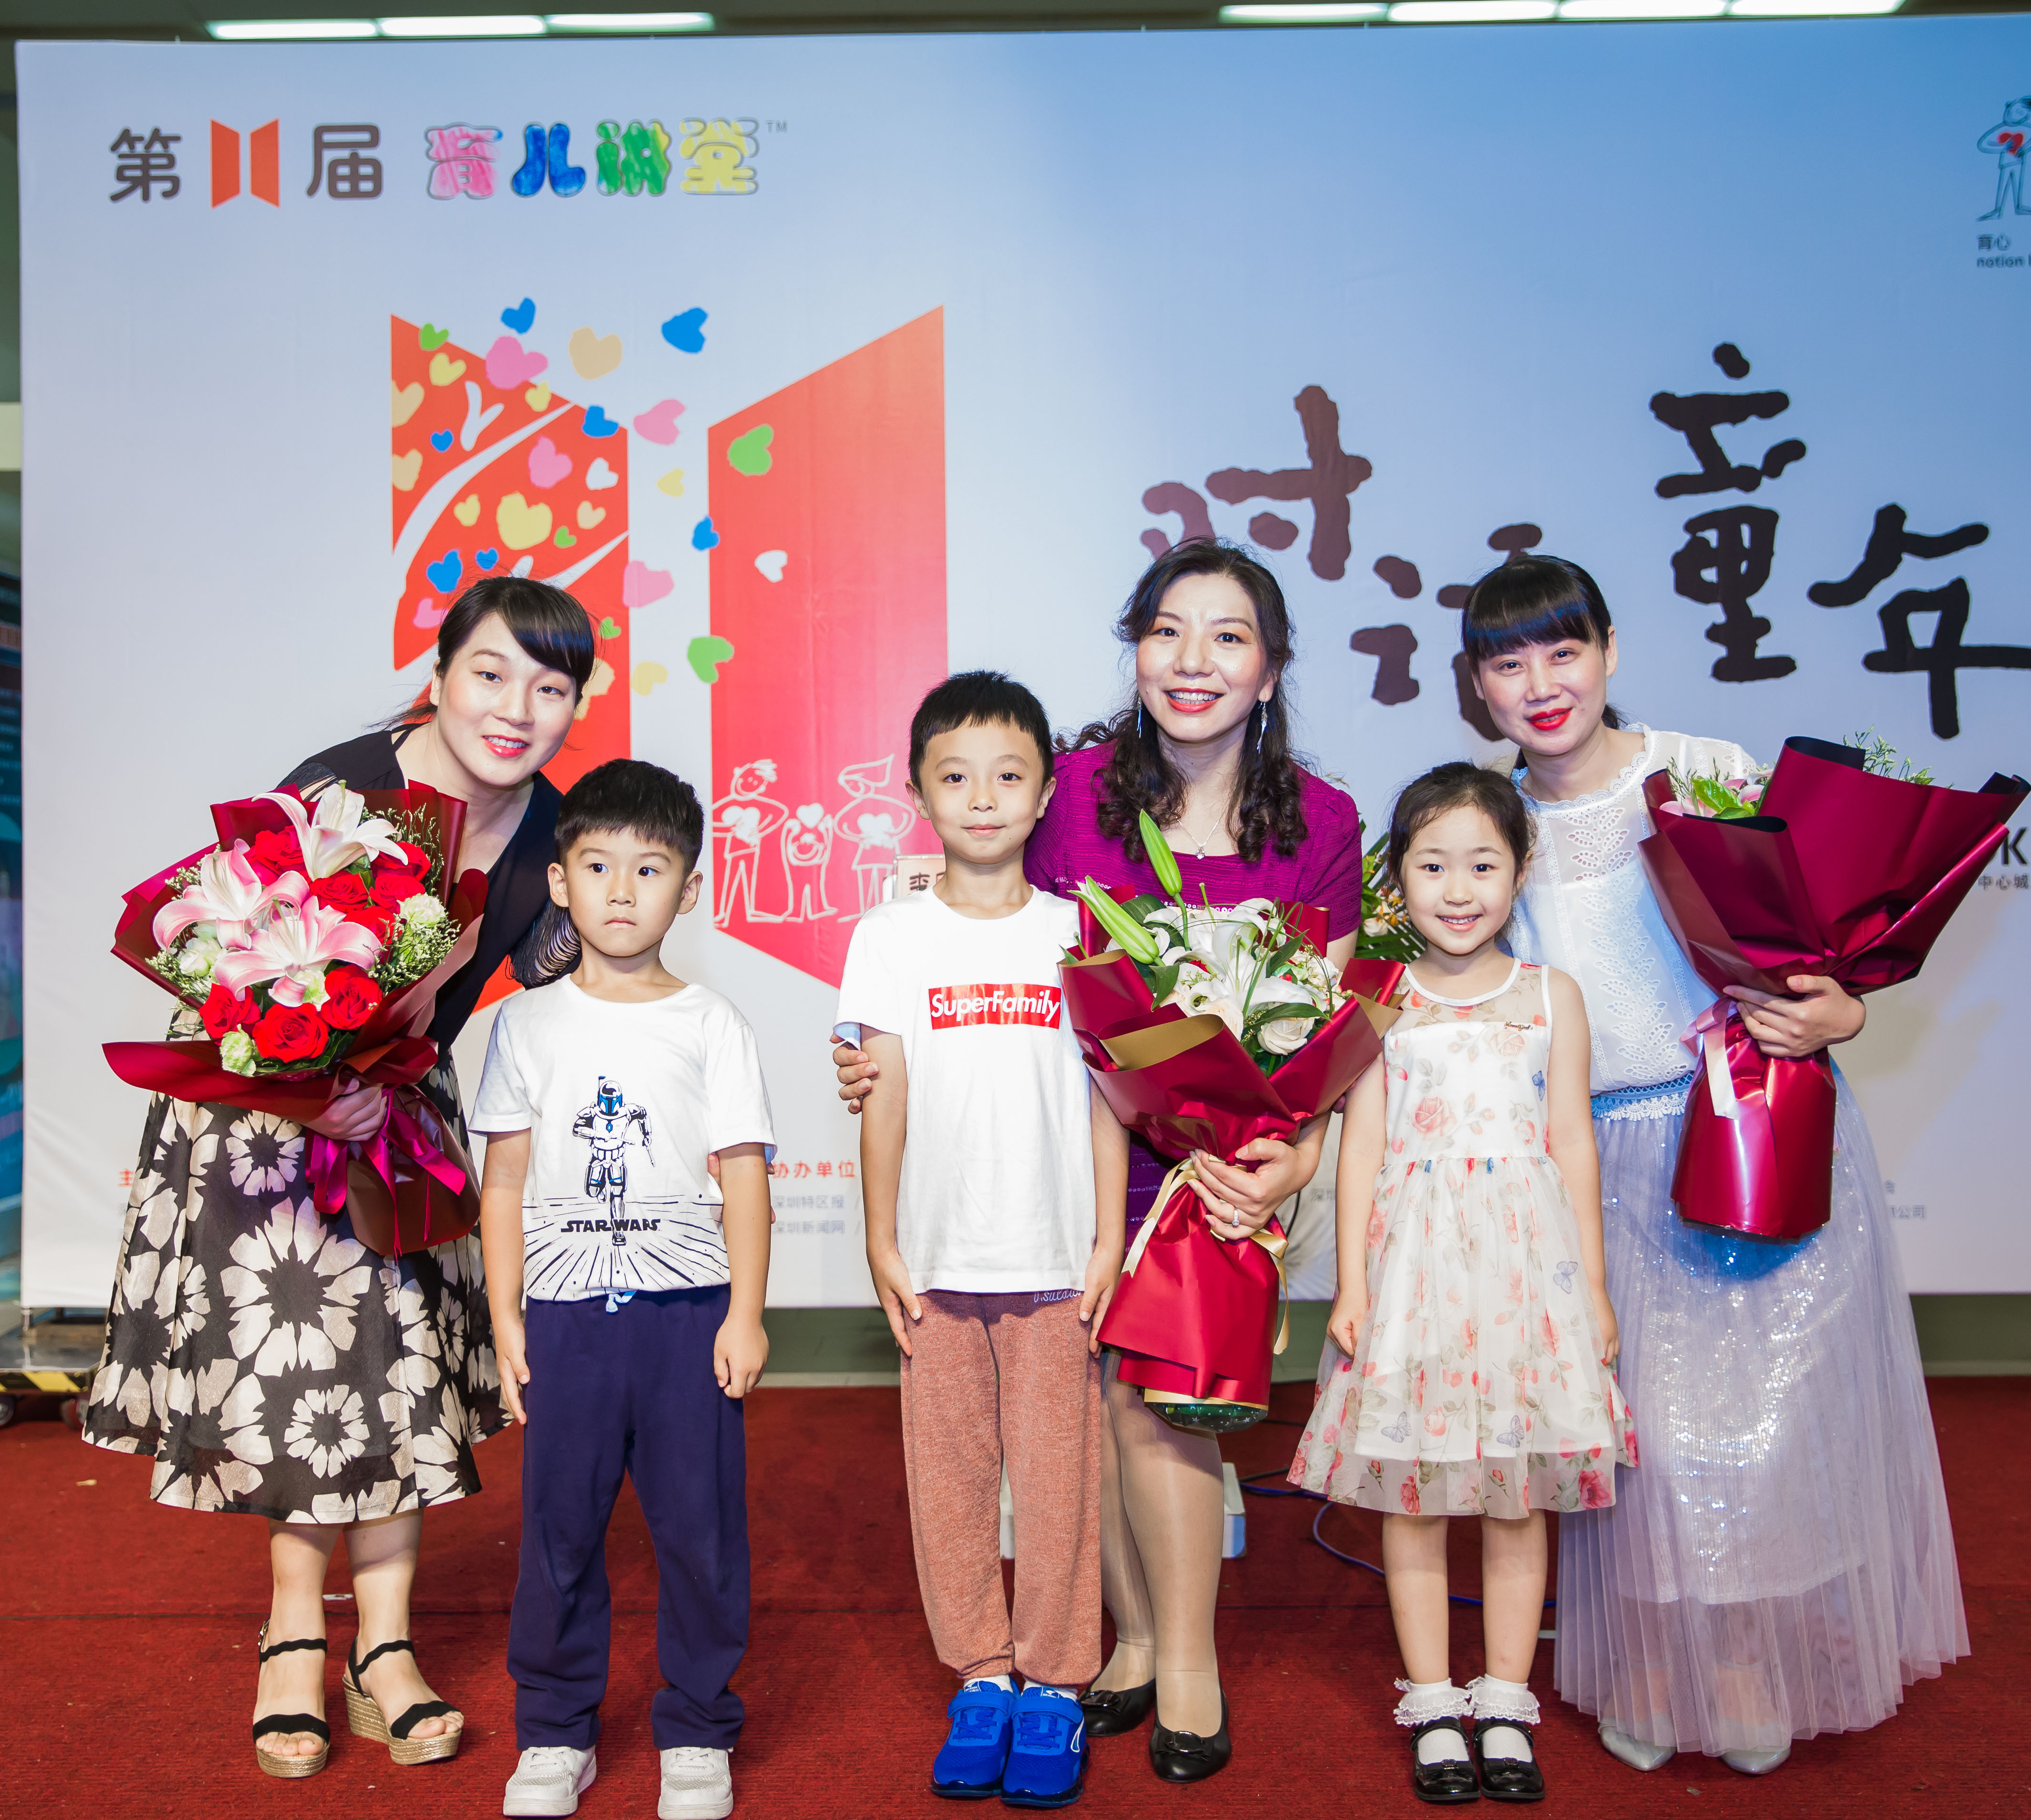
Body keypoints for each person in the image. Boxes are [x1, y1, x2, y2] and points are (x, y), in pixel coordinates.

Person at [838, 540, 1361, 1782]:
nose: (1192, 660)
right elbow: (967, 890)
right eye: (1166, 630)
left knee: (1160, 1407)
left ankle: (1187, 1661)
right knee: (1089, 1413)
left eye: (1228, 636)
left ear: (1272, 668)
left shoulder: (1325, 823)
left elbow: (1325, 1027)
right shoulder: (1071, 790)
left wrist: (1291, 1164)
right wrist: (876, 1046)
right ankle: (1125, 1638)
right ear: (1135, 649)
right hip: (1086, 1150)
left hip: (1232, 1166)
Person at [82, 575, 594, 1779]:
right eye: (490, 674)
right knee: (297, 1376)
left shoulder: (553, 836)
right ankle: (294, 1634)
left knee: (393, 1375)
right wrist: (306, 1088)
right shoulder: (341, 789)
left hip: (398, 1109)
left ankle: (387, 1647)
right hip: (261, 1110)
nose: (516, 708)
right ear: (438, 676)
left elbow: (572, 983)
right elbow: (224, 953)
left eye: (550, 687)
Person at [1462, 555, 1967, 1774]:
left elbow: (1818, 949)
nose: (1543, 684)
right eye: (1510, 663)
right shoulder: (1486, 828)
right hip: (1592, 1162)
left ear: (1611, 652)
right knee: (1642, 1439)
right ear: (1478, 688)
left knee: (1761, 1430)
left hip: (1742, 1129)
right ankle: (1646, 1666)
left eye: (1564, 651)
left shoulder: (1704, 774)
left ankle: (1742, 1663)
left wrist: (1842, 1011)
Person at [1289, 763, 1630, 1804]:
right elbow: (1361, 1149)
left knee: (1520, 1498)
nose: (1458, 888)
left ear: (1520, 873)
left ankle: (1508, 1700)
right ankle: (1433, 1700)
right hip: (1416, 1278)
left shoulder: (1552, 997)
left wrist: (1593, 1288)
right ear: (1397, 879)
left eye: (1483, 864)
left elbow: (1572, 1142)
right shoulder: (1378, 997)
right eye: (1433, 865)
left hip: (1528, 1277)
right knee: (1416, 1491)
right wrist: (1352, 1285)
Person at [838, 673, 1131, 1809]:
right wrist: (880, 1238)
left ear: (1046, 791)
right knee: (952, 1480)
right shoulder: (889, 936)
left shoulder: (1080, 933)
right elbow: (884, 1096)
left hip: (1056, 1262)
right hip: (939, 1262)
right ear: (918, 795)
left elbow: (1109, 1095)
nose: (982, 798)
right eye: (955, 777)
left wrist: (1104, 1239)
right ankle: (981, 1674)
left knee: (1057, 1482)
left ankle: (1055, 1681)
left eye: (1009, 776)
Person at [474, 759, 775, 1820]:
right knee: (558, 1531)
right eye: (597, 866)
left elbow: (745, 1175)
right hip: (565, 1321)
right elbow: (503, 1183)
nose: (619, 890)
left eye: (649, 870)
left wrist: (746, 1314)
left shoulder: (712, 1022)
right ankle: (555, 1731)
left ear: (686, 891)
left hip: (688, 1317)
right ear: (560, 882)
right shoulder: (524, 1025)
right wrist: (505, 1317)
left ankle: (697, 1727)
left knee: (700, 1531)